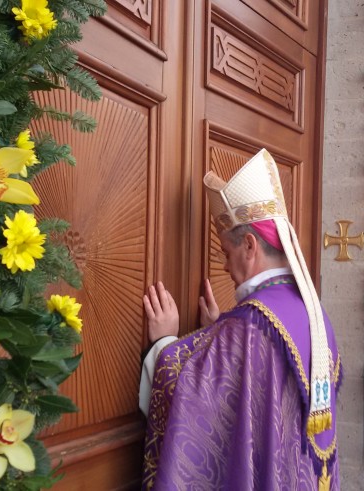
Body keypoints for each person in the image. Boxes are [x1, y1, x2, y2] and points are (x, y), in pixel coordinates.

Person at [138, 149, 341, 490]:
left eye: (225, 252)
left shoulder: (247, 328)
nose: (222, 265)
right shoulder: (314, 311)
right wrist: (218, 332)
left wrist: (164, 344)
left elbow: (191, 403)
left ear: (250, 246)